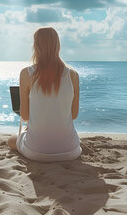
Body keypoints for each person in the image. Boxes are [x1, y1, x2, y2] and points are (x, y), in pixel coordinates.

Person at [7, 27, 81, 162]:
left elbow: (25, 116)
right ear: (58, 46)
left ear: (36, 46)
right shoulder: (73, 75)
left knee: (11, 140)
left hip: (36, 152)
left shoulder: (26, 73)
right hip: (71, 151)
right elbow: (74, 115)